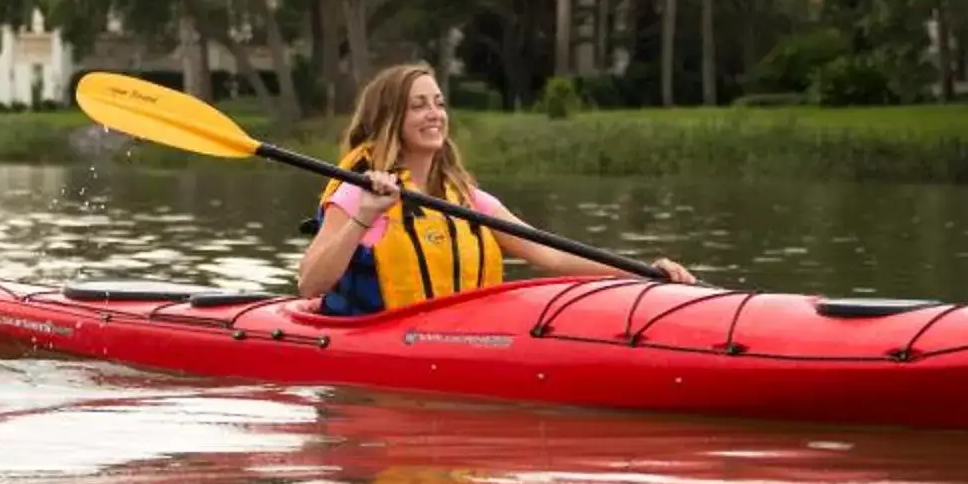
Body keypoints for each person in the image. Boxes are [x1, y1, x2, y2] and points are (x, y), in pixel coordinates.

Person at [294, 63, 689, 315]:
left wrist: (644, 273)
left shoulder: (469, 200)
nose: (435, 115)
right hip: (370, 340)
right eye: (418, 106)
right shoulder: (356, 195)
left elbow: (551, 255)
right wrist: (365, 215)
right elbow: (310, 284)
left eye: (439, 103)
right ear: (390, 119)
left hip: (461, 339)